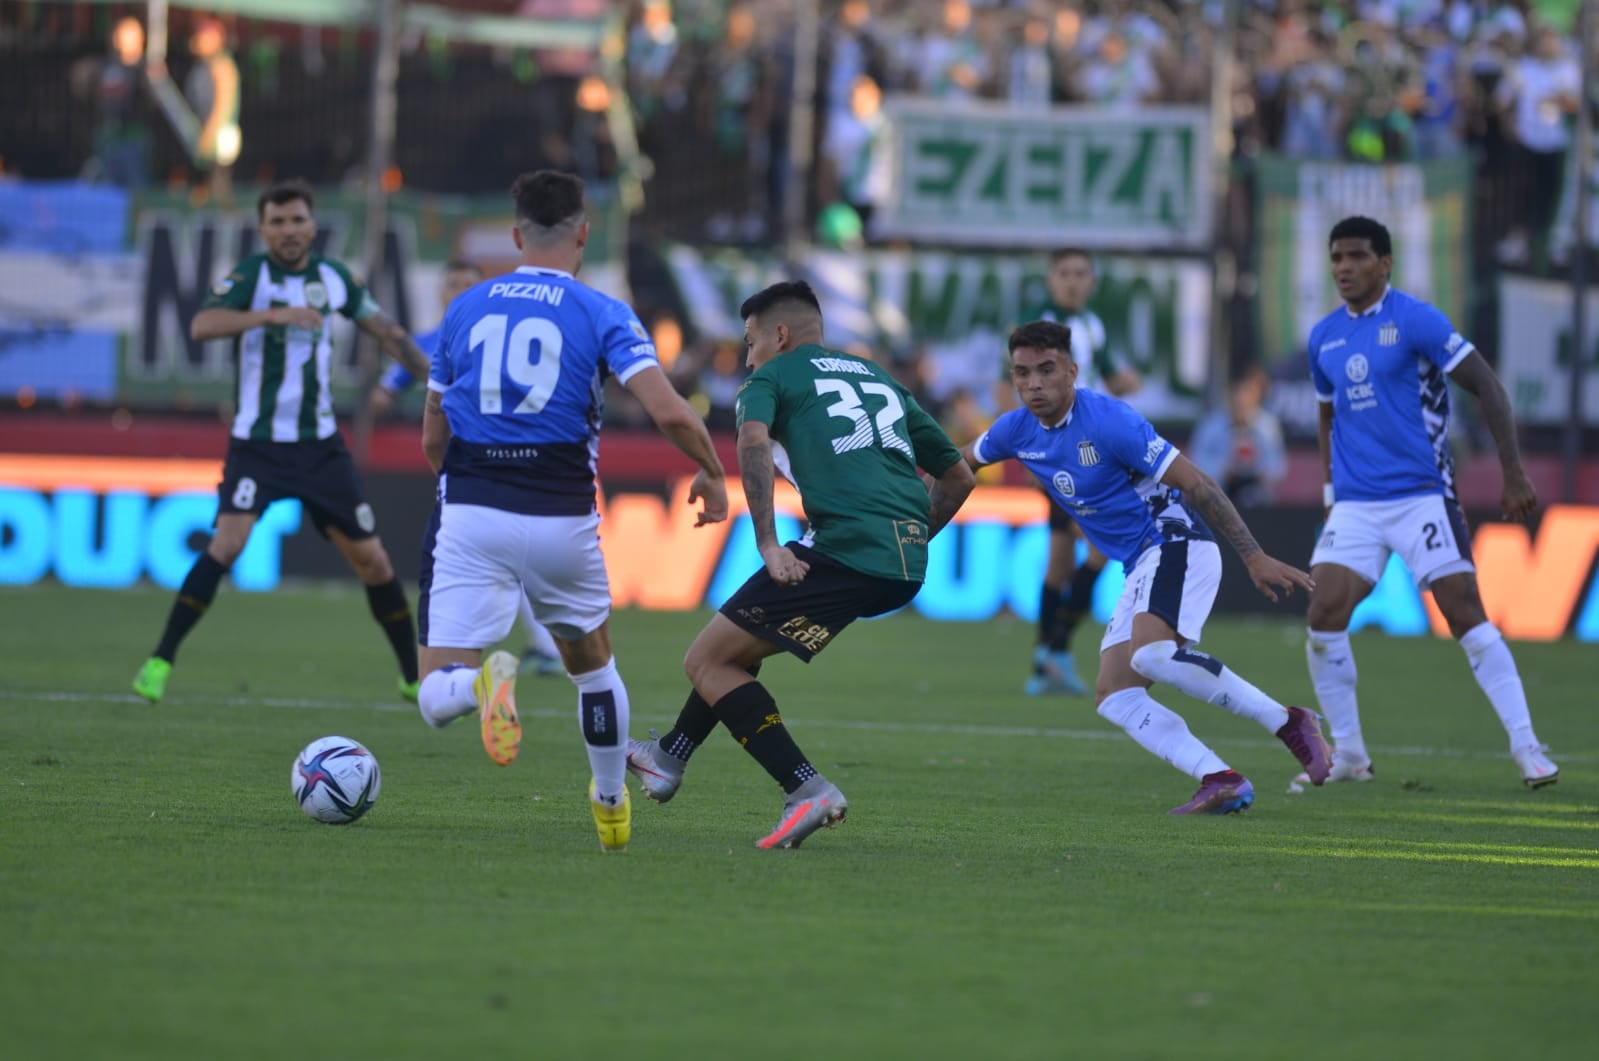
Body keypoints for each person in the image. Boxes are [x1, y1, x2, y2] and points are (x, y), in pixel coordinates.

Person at [415, 169, 728, 853]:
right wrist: (710, 470)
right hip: (561, 517)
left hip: (471, 509)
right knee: (593, 668)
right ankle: (611, 803)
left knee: (435, 689)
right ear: (583, 232)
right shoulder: (603, 312)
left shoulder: (465, 308)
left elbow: (432, 434)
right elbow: (669, 411)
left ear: (516, 233)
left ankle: (481, 680)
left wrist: (464, 491)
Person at [624, 280, 976, 849]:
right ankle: (669, 755)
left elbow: (753, 442)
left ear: (779, 335)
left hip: (843, 547)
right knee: (737, 647)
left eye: (750, 340)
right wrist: (911, 539)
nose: (747, 355)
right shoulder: (880, 378)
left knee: (704, 661)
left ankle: (805, 788)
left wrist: (768, 542)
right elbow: (958, 473)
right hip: (903, 562)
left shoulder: (772, 377)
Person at [964, 320, 1331, 815]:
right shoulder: (1015, 428)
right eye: (1022, 373)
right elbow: (957, 464)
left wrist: (1253, 555)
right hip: (1140, 562)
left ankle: (1288, 721)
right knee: (1115, 694)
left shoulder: (1111, 421)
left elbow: (1197, 483)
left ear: (1072, 371)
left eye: (1046, 370)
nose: (1033, 384)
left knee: (1153, 656)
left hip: (1178, 541)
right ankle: (1219, 777)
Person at [132, 179, 434, 706]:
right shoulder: (252, 277)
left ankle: (411, 677)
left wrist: (437, 382)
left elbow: (387, 332)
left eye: (297, 220)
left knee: (375, 563)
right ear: (263, 229)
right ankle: (159, 662)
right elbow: (203, 324)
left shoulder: (333, 279)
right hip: (259, 447)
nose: (289, 231)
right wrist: (270, 315)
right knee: (226, 544)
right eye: (278, 222)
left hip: (320, 449)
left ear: (312, 226)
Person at [1302, 215, 1557, 789]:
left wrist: (1512, 473)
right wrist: (1328, 491)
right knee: (1323, 614)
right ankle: (1349, 756)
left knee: (1463, 612)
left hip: (1422, 495)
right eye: (1336, 257)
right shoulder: (1324, 336)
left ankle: (1527, 747)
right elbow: (1326, 416)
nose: (1344, 267)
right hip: (1356, 504)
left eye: (1357, 256)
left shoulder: (1415, 320)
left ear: (1384, 263)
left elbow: (1486, 385)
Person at [365, 259, 565, 678]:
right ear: (440, 292)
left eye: (466, 283)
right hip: (467, 463)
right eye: (452, 282)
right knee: (512, 555)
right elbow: (382, 395)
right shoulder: (426, 342)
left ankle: (454, 668)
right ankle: (534, 647)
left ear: (483, 291)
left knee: (467, 560)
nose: (457, 290)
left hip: (479, 463)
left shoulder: (489, 339)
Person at [998, 249, 1140, 698]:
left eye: (1081, 274)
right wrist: (1029, 450)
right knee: (1099, 553)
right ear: (1051, 279)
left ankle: (1044, 663)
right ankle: (1056, 650)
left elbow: (1113, 378)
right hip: (1065, 454)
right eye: (1065, 274)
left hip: (1086, 449)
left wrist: (1119, 383)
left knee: (1060, 562)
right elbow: (1008, 390)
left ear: (1092, 281)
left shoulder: (1092, 325)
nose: (1073, 282)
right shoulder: (1038, 323)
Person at [1187, 366, 1287, 508]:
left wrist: (1259, 473)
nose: (1241, 399)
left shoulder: (1267, 426)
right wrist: (1224, 471)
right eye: (1237, 392)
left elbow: (1278, 467)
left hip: (1257, 501)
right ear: (1229, 394)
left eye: (1247, 393)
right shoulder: (1210, 425)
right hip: (1217, 498)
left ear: (1256, 396)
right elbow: (1195, 462)